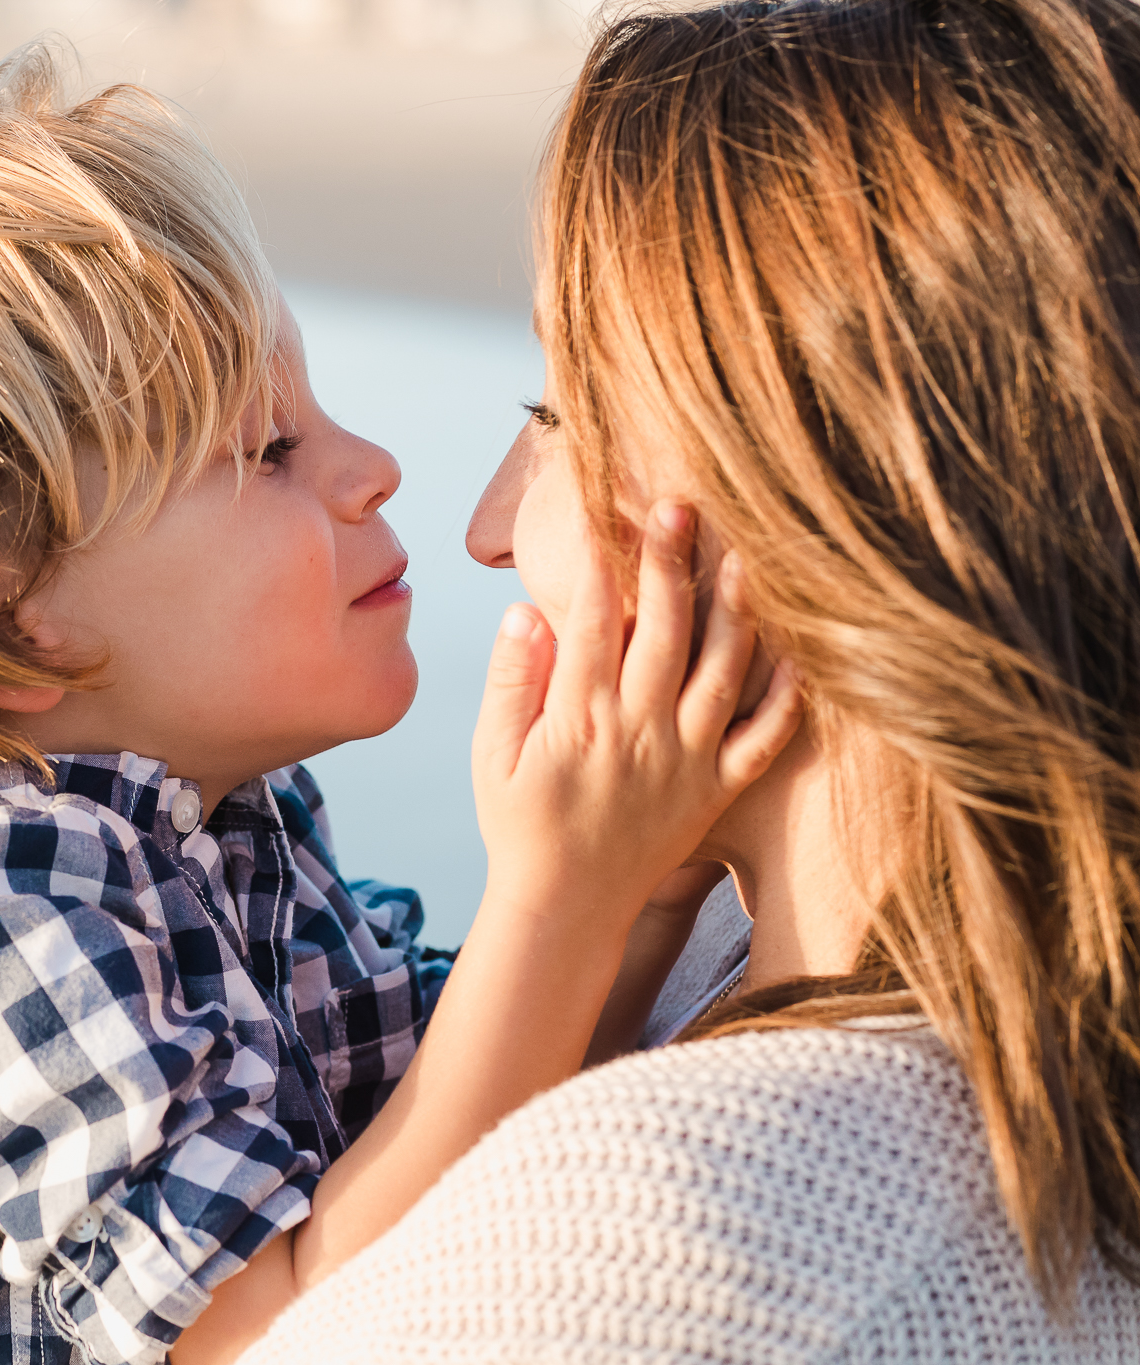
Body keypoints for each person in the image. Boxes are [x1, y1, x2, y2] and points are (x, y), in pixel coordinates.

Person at [0, 43, 803, 1365]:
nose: (374, 469)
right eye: (267, 451)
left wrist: (646, 883)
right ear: (5, 613)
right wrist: (563, 888)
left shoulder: (205, 825)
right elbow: (295, 1329)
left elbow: (466, 1122)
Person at [234, 0, 1140, 1359]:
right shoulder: (756, 959)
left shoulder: (644, 1252)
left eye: (558, 408)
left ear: (808, 505)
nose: (485, 527)